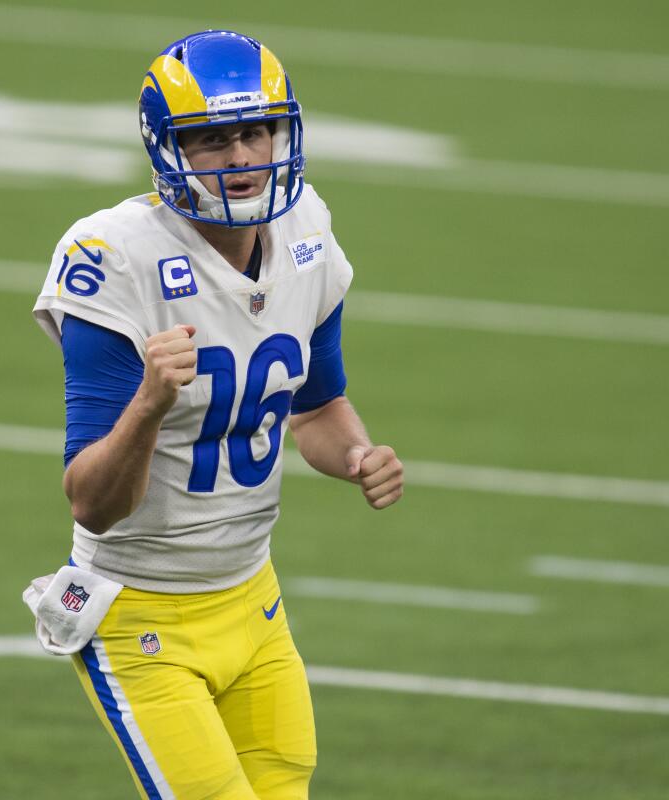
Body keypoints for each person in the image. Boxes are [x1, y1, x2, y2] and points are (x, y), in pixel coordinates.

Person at [31, 30, 404, 799]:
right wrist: (147, 406)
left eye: (255, 131)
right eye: (211, 140)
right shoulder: (114, 257)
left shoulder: (306, 231)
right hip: (141, 614)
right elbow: (92, 503)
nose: (240, 157)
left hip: (253, 598)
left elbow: (320, 406)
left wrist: (360, 456)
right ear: (169, 151)